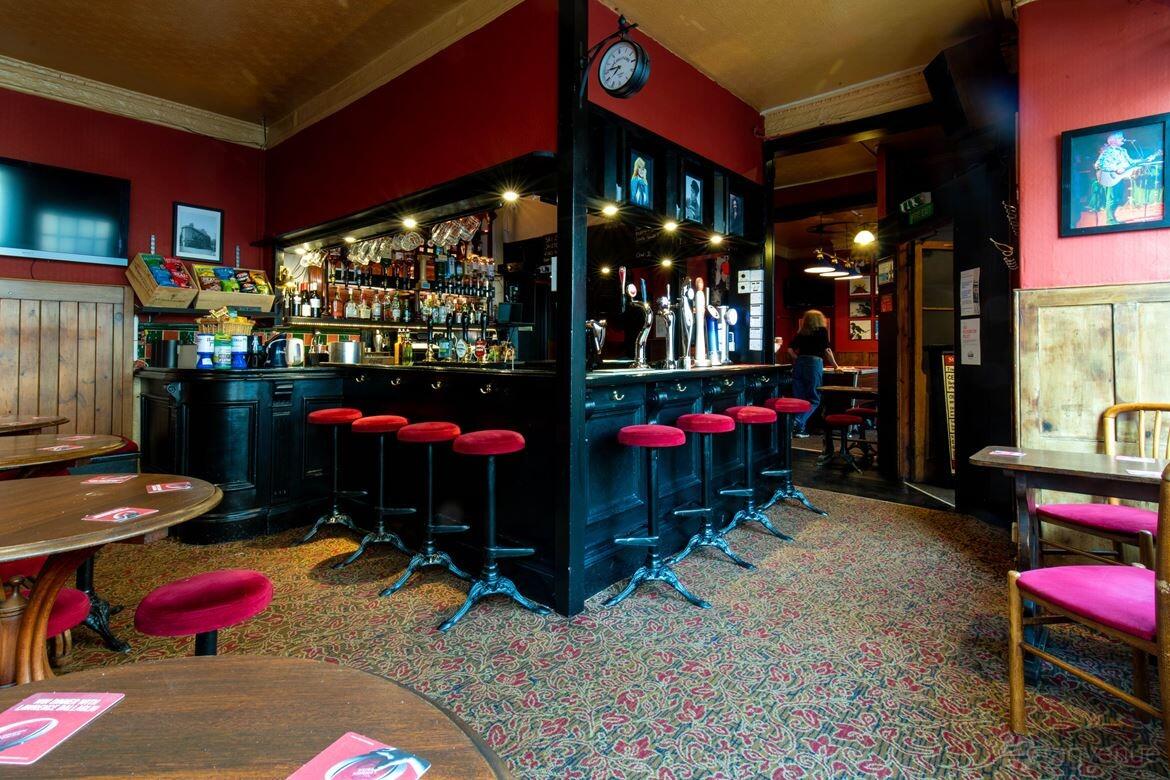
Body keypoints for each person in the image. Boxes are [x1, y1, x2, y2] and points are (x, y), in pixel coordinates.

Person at [788, 309, 839, 436]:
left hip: (799, 364)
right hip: (814, 363)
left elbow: (789, 349)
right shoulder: (821, 331)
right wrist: (836, 366)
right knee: (814, 398)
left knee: (799, 397)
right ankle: (798, 422)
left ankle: (800, 429)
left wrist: (798, 359)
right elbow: (827, 350)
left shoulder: (801, 333)